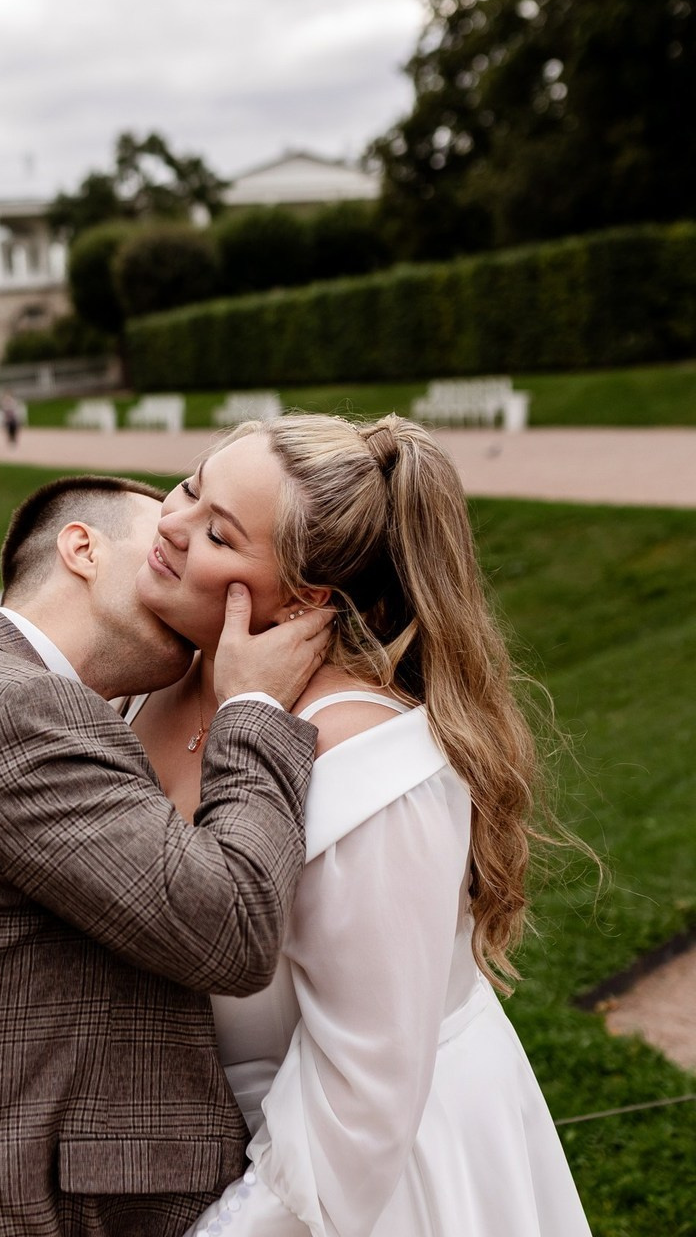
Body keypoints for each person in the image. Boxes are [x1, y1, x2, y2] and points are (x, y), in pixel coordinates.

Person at [0, 475, 334, 1237]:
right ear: (82, 549)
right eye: (164, 553)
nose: (187, 580)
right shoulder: (19, 712)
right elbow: (233, 926)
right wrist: (253, 710)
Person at [127, 415, 591, 1237]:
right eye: (192, 487)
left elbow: (363, 1102)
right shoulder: (150, 684)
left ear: (305, 598)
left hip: (369, 1185)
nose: (168, 521)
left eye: (217, 534)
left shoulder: (374, 772)